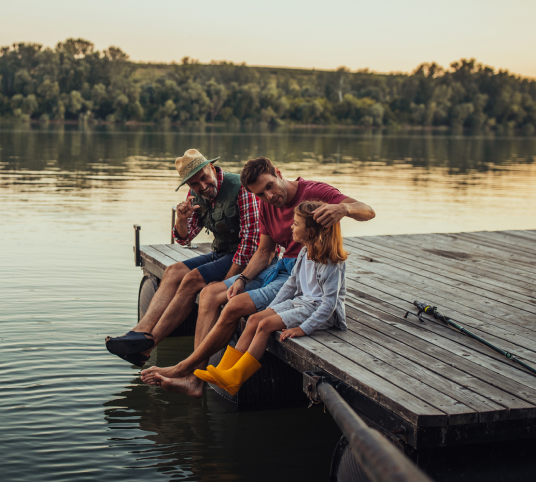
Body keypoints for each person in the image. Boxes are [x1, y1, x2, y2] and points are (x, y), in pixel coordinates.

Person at [141, 156, 374, 397]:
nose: (268, 197)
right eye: (260, 194)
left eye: (269, 187)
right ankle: (196, 379)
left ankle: (186, 370)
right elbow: (264, 251)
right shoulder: (265, 205)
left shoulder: (314, 192)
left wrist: (344, 208)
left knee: (234, 307)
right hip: (278, 266)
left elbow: (368, 211)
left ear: (278, 173)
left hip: (299, 271)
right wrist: (241, 278)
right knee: (210, 293)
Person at [105, 149, 261, 367]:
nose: (202, 186)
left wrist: (228, 282)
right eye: (194, 184)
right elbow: (184, 238)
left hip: (245, 258)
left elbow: (250, 246)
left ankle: (148, 346)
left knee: (191, 279)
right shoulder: (195, 195)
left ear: (211, 167)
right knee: (173, 271)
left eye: (204, 177)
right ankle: (140, 332)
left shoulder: (241, 188)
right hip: (221, 252)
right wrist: (181, 219)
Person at [194, 201, 349, 395]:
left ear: (310, 232)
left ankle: (236, 378)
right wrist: (271, 309)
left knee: (265, 325)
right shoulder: (303, 253)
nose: (291, 227)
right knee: (254, 319)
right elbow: (290, 285)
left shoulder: (331, 262)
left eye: (296, 224)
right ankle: (224, 370)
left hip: (321, 312)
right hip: (302, 302)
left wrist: (303, 329)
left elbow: (329, 304)